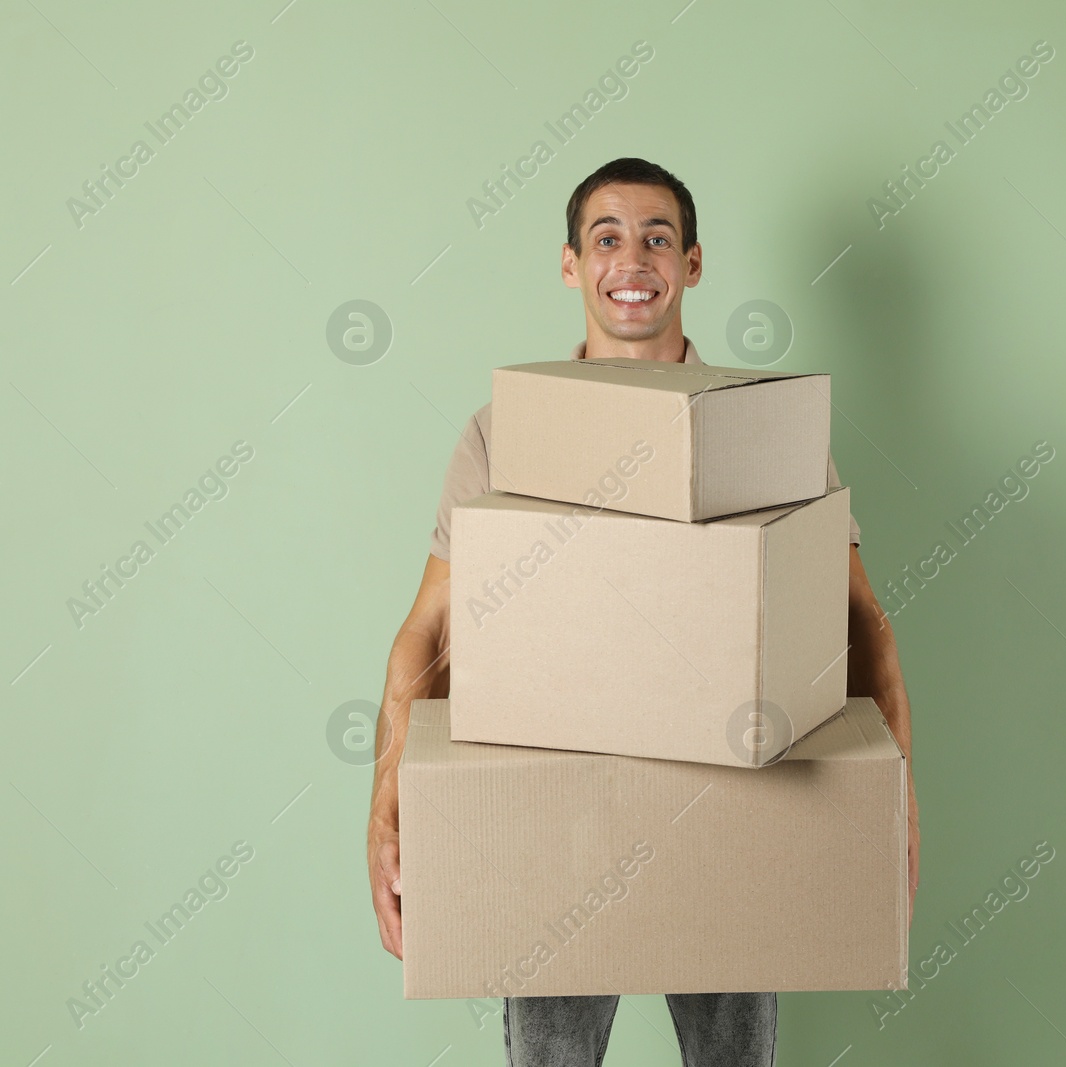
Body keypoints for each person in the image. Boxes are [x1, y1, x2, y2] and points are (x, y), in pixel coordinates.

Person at [368, 157, 918, 1067]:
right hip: (551, 813)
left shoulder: (762, 426)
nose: (633, 258)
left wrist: (895, 812)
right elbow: (427, 633)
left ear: (693, 264)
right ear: (571, 264)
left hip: (739, 804)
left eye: (659, 238)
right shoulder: (502, 432)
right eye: (608, 237)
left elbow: (864, 626)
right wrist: (386, 816)